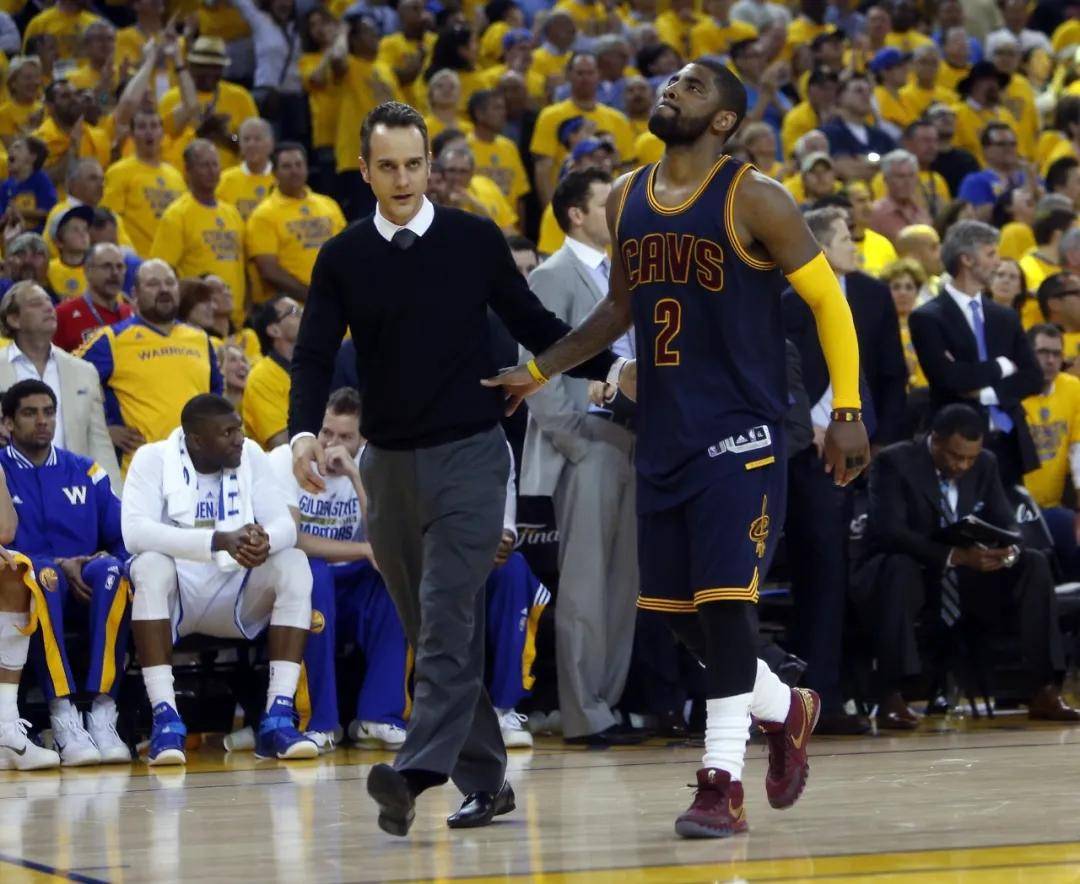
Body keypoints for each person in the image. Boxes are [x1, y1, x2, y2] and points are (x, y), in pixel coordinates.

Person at [484, 58, 869, 838]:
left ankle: (720, 783)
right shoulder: (627, 196)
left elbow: (830, 302)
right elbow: (619, 309)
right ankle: (784, 707)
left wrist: (848, 409)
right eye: (672, 81)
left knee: (725, 609)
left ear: (724, 120)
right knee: (678, 615)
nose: (671, 90)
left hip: (743, 430)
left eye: (693, 87)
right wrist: (540, 369)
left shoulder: (756, 196)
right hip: (662, 434)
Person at [289, 101, 618, 836]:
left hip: (472, 455)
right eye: (387, 167)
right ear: (365, 170)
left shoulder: (473, 239)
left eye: (414, 164)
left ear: (430, 165)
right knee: (434, 628)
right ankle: (487, 781)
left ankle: (414, 773)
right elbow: (311, 354)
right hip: (388, 467)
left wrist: (612, 367)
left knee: (445, 614)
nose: (403, 179)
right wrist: (302, 433)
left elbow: (535, 325)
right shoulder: (342, 255)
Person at [855, 404, 1079, 727]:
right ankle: (892, 695)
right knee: (899, 569)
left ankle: (1045, 689)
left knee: (1033, 563)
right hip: (913, 573)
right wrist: (953, 555)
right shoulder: (894, 462)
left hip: (965, 578)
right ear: (935, 439)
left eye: (970, 459)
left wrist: (1006, 551)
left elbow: (1008, 523)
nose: (962, 465)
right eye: (955, 456)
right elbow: (890, 532)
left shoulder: (985, 464)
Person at [122, 393, 317, 764]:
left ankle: (277, 717)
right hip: (178, 593)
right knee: (148, 565)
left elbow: (284, 524)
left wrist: (265, 539)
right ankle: (165, 718)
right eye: (228, 433)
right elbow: (134, 533)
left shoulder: (252, 456)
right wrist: (216, 540)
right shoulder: (152, 458)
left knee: (293, 561)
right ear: (197, 441)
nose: (240, 438)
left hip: (238, 591)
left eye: (239, 429)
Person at [519, 169, 641, 746]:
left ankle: (605, 706)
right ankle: (582, 712)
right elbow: (536, 368)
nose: (617, 212)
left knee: (622, 586)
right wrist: (574, 441)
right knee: (586, 586)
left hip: (633, 438)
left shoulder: (623, 272)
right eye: (605, 203)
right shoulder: (552, 275)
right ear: (575, 214)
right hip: (585, 443)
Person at [781, 205, 906, 733]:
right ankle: (816, 699)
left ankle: (858, 691)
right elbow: (776, 373)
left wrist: (880, 442)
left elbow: (890, 373)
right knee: (822, 575)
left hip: (866, 449)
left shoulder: (873, 295)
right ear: (818, 246)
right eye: (845, 238)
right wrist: (804, 429)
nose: (856, 246)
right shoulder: (787, 295)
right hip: (807, 453)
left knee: (860, 574)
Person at [267, 388, 406, 752]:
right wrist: (361, 549)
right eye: (326, 432)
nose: (331, 444)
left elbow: (385, 539)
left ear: (362, 441)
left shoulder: (377, 464)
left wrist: (358, 477)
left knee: (394, 581)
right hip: (301, 582)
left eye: (345, 437)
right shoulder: (285, 460)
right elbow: (292, 538)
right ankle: (320, 721)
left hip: (355, 581)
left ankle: (378, 717)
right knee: (314, 572)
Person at [0, 379, 130, 766]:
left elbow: (124, 538)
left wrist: (94, 559)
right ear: (8, 422)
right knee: (42, 574)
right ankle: (63, 715)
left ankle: (103, 711)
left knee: (113, 571)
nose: (42, 421)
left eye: (49, 412)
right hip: (30, 593)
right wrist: (59, 564)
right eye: (30, 413)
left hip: (86, 587)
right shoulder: (2, 471)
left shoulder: (86, 470)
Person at [909, 220, 1042, 486]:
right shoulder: (927, 317)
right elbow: (949, 378)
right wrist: (1001, 366)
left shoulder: (1005, 316)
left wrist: (986, 393)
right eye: (990, 254)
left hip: (1008, 444)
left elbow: (1033, 377)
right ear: (967, 259)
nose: (997, 262)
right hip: (954, 446)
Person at [78, 260, 223, 470]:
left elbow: (215, 393)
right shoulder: (112, 339)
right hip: (142, 469)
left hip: (198, 465)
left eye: (170, 282)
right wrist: (102, 429)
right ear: (135, 294)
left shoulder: (199, 337)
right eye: (153, 284)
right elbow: (68, 378)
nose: (164, 289)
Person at [0, 280, 121, 487]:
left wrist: (114, 494)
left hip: (72, 490)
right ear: (14, 319)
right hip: (10, 489)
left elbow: (99, 442)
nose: (49, 308)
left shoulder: (84, 371)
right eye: (36, 303)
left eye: (49, 301)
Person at [150, 139, 246, 316]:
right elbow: (163, 269)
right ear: (188, 170)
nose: (211, 171)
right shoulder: (177, 215)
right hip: (198, 316)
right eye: (204, 165)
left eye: (215, 164)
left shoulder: (232, 213)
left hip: (235, 317)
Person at [245, 142, 346, 303]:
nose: (294, 171)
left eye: (299, 165)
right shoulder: (263, 215)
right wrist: (312, 296)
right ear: (274, 172)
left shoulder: (328, 205)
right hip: (291, 308)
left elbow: (346, 252)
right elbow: (269, 270)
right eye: (286, 166)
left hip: (335, 301)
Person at [1022, 323, 1080, 579]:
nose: (1050, 360)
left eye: (1057, 354)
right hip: (1016, 509)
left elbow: (1078, 450)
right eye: (1043, 352)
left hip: (1054, 505)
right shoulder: (1010, 391)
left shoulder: (1073, 388)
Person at [100, 109, 187, 258]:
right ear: (132, 135)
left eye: (154, 126)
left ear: (162, 133)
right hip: (136, 260)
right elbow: (110, 220)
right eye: (142, 127)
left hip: (171, 263)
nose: (149, 132)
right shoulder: (119, 171)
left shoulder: (176, 176)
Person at [243, 296, 301, 450]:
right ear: (274, 330)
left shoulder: (316, 365)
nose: (303, 315)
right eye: (294, 312)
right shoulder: (261, 377)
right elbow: (281, 444)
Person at [53, 243, 133, 353]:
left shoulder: (130, 313)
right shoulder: (63, 314)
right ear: (87, 271)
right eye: (106, 266)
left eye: (120, 267)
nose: (115, 273)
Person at [215, 117, 276, 221]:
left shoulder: (282, 179)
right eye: (246, 139)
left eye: (257, 139)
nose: (251, 144)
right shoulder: (224, 180)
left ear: (271, 144)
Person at [869, 149, 933, 243]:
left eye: (911, 176)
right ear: (886, 179)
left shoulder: (921, 211)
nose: (907, 182)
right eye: (900, 176)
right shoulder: (875, 213)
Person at [0, 135, 55, 232]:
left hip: (35, 238)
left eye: (17, 147)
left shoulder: (41, 180)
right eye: (11, 147)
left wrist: (20, 211)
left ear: (32, 157)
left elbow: (49, 212)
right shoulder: (5, 186)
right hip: (9, 238)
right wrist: (5, 218)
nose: (10, 150)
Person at [45, 204, 93, 300]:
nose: (83, 234)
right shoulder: (47, 270)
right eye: (75, 230)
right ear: (59, 242)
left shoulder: (97, 270)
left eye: (85, 229)